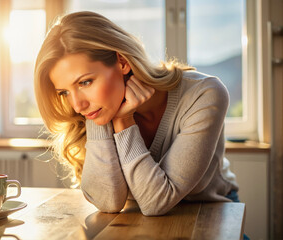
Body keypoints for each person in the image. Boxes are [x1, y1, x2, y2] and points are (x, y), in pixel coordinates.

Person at [34, 11, 239, 216]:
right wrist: (103, 122)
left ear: (122, 62)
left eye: (85, 82)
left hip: (209, 214)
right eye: (64, 92)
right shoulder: (96, 110)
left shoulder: (203, 93)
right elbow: (108, 203)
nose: (77, 105)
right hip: (136, 220)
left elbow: (157, 202)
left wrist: (124, 121)